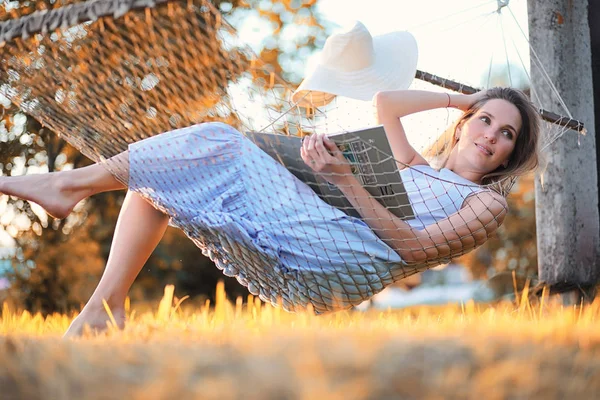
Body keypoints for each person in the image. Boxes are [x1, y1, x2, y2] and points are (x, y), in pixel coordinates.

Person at [0, 87, 541, 337]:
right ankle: (103, 308)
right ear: (466, 122)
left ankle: (66, 186)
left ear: (513, 154)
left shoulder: (487, 202)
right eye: (484, 121)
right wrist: (458, 99)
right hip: (314, 233)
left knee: (215, 140)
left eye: (506, 133)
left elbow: (417, 249)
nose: (490, 135)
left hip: (341, 259)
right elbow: (387, 104)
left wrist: (346, 181)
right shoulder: (418, 168)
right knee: (158, 176)